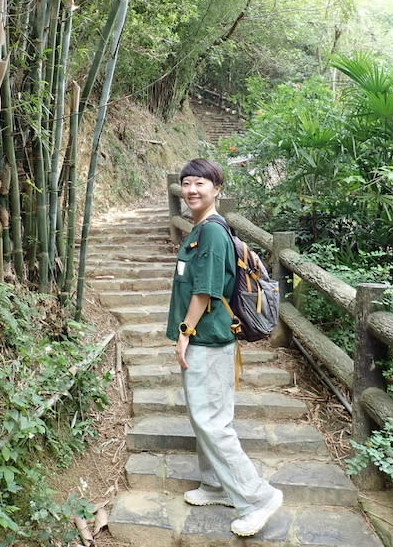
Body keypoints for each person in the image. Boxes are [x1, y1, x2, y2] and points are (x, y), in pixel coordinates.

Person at [166, 158, 283, 537]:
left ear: (217, 188)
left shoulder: (213, 232)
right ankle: (215, 484)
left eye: (200, 183)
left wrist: (185, 331)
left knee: (212, 422)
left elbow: (206, 290)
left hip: (209, 338)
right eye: (187, 183)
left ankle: (257, 498)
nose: (192, 190)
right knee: (208, 416)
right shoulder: (201, 227)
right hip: (206, 336)